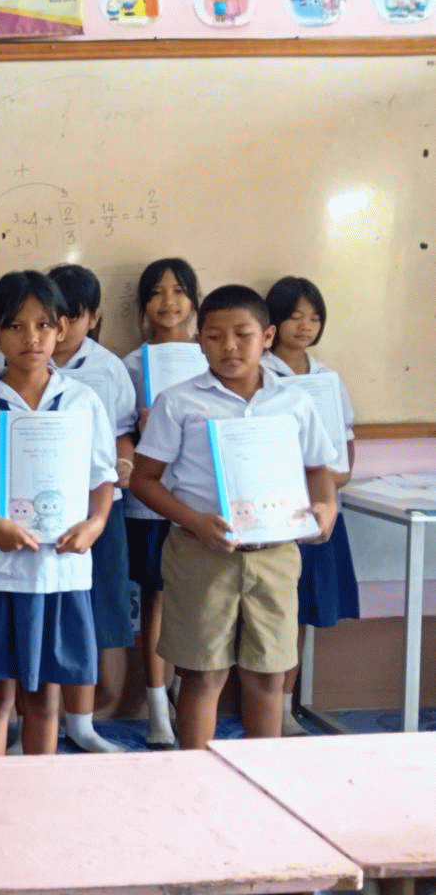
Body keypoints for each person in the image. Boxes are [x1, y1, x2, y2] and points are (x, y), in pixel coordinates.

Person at [131, 286, 338, 750]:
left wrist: (325, 507)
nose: (229, 347)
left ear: (267, 337)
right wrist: (194, 521)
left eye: (242, 334)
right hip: (200, 553)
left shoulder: (294, 402)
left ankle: (262, 779)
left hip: (274, 555)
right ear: (198, 341)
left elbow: (317, 470)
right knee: (202, 675)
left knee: (267, 676)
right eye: (214, 336)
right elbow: (145, 480)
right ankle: (196, 779)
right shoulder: (178, 402)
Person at [0, 272, 116, 757]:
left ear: (61, 329)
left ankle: (38, 793)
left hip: (57, 572)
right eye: (16, 326)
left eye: (43, 325)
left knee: (44, 696)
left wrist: (96, 523)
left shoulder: (81, 401)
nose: (31, 338)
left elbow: (102, 477)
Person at [43, 265, 138, 754]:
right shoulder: (14, 363)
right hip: (39, 512)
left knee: (100, 609)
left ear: (94, 318)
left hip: (99, 509)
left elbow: (122, 434)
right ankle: (44, 721)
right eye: (51, 317)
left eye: (73, 317)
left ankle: (92, 718)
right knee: (46, 611)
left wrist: (124, 464)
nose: (59, 329)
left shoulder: (108, 369)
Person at [262, 276, 358, 735]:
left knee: (300, 612)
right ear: (273, 322)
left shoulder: (327, 378)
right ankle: (253, 705)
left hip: (315, 510)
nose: (305, 326)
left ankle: (284, 707)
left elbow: (345, 444)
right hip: (272, 510)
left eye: (314, 318)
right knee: (265, 610)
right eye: (295, 316)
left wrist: (335, 477)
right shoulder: (259, 374)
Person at [121, 257, 201, 749]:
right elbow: (115, 437)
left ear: (194, 299)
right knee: (155, 600)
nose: (168, 302)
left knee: (192, 602)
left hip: (199, 503)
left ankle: (183, 696)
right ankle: (156, 710)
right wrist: (140, 428)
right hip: (150, 503)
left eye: (178, 291)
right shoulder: (130, 365)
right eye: (156, 292)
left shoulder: (212, 357)